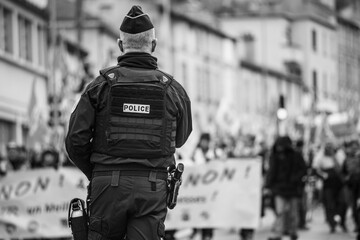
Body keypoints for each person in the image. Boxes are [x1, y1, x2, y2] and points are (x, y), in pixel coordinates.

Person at [65, 5, 192, 240]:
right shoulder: (173, 90)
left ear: (120, 45)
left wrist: (97, 171)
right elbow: (181, 138)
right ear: (153, 46)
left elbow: (75, 140)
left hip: (107, 186)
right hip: (152, 187)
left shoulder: (99, 86)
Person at [264, 136, 307, 240]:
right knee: (280, 211)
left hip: (292, 188)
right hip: (279, 188)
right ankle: (279, 233)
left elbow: (303, 169)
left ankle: (293, 231)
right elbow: (271, 172)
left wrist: (295, 179)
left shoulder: (296, 155)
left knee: (292, 212)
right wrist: (267, 186)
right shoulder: (274, 156)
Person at [313, 142, 347, 233]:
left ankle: (342, 222)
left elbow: (343, 168)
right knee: (329, 205)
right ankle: (332, 224)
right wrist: (324, 176)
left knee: (342, 204)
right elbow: (316, 169)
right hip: (328, 184)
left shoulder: (339, 155)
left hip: (339, 184)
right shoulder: (320, 157)